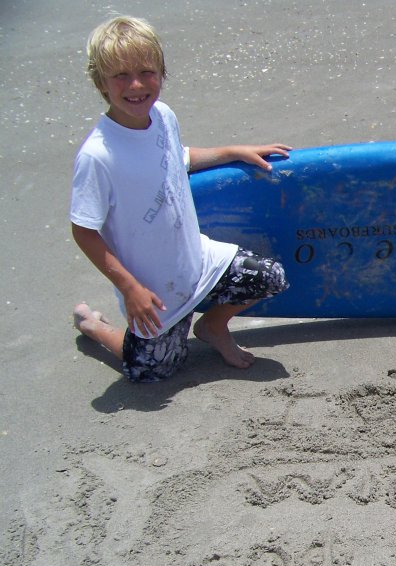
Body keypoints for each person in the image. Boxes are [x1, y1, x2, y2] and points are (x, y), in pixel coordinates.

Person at [71, 15, 292, 382]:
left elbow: (179, 157)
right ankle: (94, 327)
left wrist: (231, 151)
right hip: (155, 293)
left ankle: (212, 327)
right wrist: (131, 290)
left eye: (147, 72)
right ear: (100, 82)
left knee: (271, 277)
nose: (137, 85)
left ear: (162, 72)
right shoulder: (99, 156)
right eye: (121, 76)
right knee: (152, 372)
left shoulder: (162, 116)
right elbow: (83, 231)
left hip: (198, 264)